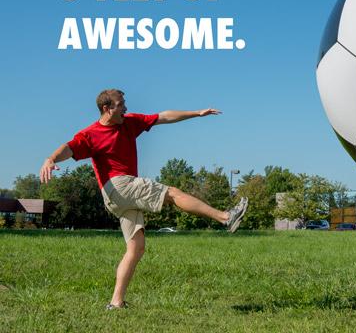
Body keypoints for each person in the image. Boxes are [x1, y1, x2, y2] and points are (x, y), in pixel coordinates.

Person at [39, 89, 248, 310]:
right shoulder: (91, 134)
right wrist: (51, 159)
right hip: (119, 185)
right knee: (174, 193)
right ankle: (226, 217)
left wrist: (196, 113)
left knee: (136, 248)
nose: (125, 108)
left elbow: (163, 117)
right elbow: (69, 148)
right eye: (120, 105)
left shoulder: (129, 122)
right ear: (106, 109)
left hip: (116, 198)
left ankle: (115, 302)